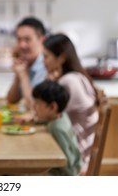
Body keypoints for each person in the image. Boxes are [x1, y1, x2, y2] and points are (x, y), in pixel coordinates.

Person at [42, 33, 99, 174]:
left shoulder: (68, 82)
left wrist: (49, 83)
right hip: (75, 152)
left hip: (72, 159)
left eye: (46, 56)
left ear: (61, 58)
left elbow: (42, 113)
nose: (43, 62)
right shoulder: (78, 77)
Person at [32, 80, 81, 176]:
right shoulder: (61, 116)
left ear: (52, 107)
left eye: (37, 103)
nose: (34, 106)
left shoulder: (57, 129)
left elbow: (66, 165)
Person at [6, 17, 47, 110]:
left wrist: (23, 75)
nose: (22, 45)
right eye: (19, 40)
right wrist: (18, 76)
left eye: (27, 40)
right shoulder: (27, 64)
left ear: (42, 40)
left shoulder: (46, 66)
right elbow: (11, 100)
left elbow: (35, 108)